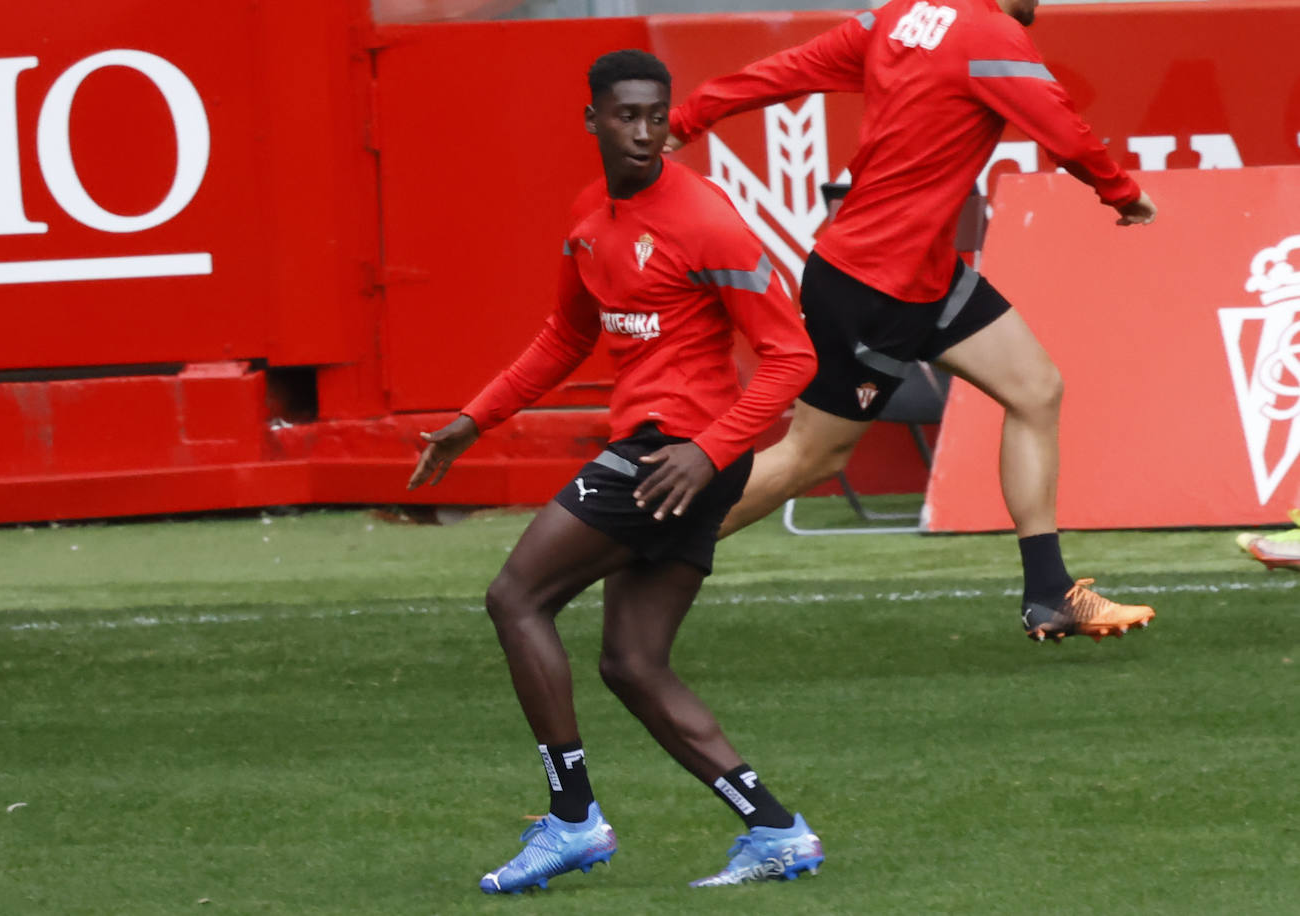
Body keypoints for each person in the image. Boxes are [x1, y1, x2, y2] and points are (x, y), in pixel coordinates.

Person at [408, 49, 822, 893]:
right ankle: (776, 830)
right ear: (591, 120)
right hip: (680, 460)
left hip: (672, 456)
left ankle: (570, 820)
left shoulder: (707, 220)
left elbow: (791, 356)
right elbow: (566, 335)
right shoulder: (589, 217)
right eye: (626, 115)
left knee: (515, 597)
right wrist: (472, 418)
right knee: (634, 664)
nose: (645, 131)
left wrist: (707, 452)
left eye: (657, 115)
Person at [665, 0, 1158, 643]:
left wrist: (688, 116)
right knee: (810, 456)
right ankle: (642, 549)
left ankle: (1049, 593)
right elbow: (1062, 131)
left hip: (924, 273)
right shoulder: (991, 36)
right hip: (877, 283)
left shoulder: (897, 19)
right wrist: (1123, 192)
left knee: (1036, 390)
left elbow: (786, 70)